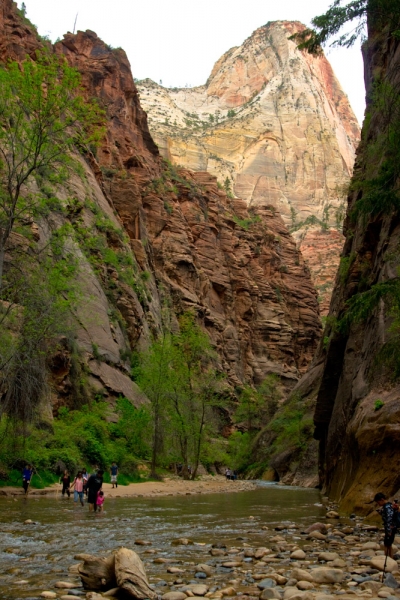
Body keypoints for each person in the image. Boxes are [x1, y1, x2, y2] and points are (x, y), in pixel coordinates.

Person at [374, 492, 399, 558]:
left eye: (378, 502)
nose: (378, 504)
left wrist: (388, 530)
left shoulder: (387, 507)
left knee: (387, 543)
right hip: (393, 526)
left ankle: (388, 558)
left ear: (382, 499)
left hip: (390, 527)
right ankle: (390, 557)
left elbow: (389, 519)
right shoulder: (389, 505)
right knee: (388, 543)